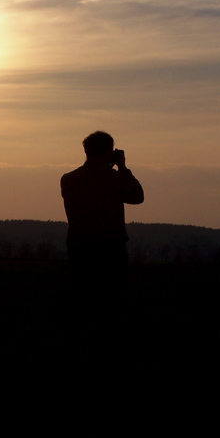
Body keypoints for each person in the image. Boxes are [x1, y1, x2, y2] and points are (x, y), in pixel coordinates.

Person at [60, 131, 144, 327]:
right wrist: (122, 167)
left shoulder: (68, 179)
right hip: (111, 250)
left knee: (79, 299)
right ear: (108, 151)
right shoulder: (114, 178)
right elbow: (138, 196)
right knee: (111, 303)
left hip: (80, 248)